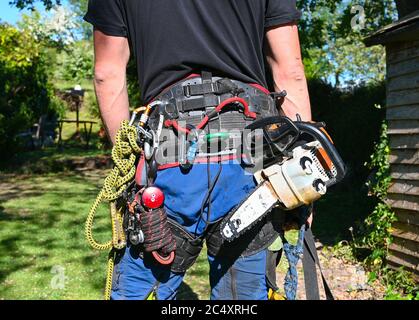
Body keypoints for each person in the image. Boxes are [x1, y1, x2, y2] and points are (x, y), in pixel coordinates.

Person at [84, 0, 312, 300]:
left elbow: (107, 73)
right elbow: (289, 71)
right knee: (243, 295)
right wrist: (305, 172)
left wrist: (129, 164)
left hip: (169, 161)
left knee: (139, 289)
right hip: (250, 164)